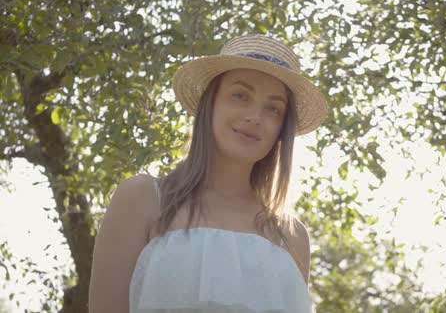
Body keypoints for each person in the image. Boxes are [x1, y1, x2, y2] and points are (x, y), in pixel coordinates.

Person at [88, 34, 328, 313]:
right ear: (210, 103)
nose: (255, 116)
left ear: (281, 130)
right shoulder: (143, 198)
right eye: (240, 96)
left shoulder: (291, 236)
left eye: (273, 109)